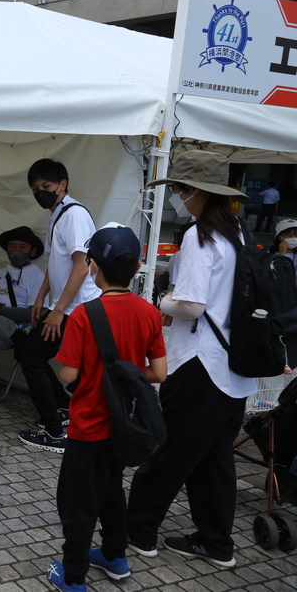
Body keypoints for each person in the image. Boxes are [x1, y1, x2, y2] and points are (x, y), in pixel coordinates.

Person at [126, 150, 253, 569]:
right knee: (214, 460)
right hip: (233, 366)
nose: (177, 197)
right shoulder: (236, 233)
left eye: (178, 189)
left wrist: (162, 299)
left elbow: (192, 305)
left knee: (168, 450)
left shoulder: (200, 236)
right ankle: (215, 541)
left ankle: (138, 531)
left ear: (194, 191)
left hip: (199, 362)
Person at [46, 224, 168, 592]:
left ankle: (73, 578)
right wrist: (127, 375)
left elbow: (68, 372)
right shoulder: (148, 312)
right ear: (136, 267)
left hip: (89, 426)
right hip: (125, 426)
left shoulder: (84, 315)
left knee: (78, 503)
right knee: (112, 491)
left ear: (94, 266)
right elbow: (158, 373)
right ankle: (115, 556)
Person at [16, 159, 101, 453]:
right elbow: (56, 264)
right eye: (35, 189)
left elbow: (80, 267)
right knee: (31, 354)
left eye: (47, 187)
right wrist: (41, 298)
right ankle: (63, 411)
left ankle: (54, 433)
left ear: (62, 185)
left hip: (77, 309)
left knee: (32, 357)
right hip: (63, 305)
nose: (41, 193)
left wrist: (58, 311)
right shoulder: (58, 214)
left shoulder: (74, 215)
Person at [0, 226, 46, 350]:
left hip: (13, 329)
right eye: (12, 246)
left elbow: (33, 315)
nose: (16, 250)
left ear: (32, 252)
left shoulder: (37, 277)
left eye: (22, 247)